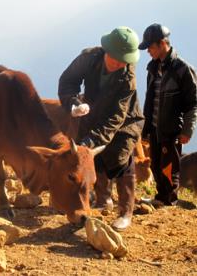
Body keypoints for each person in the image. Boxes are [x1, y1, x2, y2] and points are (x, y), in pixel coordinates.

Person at [58, 26, 144, 231]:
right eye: (116, 58)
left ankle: (125, 211)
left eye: (124, 60)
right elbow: (68, 81)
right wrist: (72, 103)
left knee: (121, 156)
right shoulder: (89, 59)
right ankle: (102, 199)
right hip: (92, 110)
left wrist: (91, 141)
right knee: (90, 159)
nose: (119, 63)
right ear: (107, 51)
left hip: (125, 119)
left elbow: (116, 117)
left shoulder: (127, 78)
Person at [139, 23, 197, 206]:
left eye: (150, 46)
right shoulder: (152, 69)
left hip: (172, 129)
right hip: (155, 127)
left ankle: (169, 200)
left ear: (162, 43)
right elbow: (150, 100)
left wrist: (187, 129)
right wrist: (145, 128)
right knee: (156, 164)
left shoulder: (182, 69)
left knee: (169, 167)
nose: (148, 50)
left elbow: (193, 103)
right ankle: (160, 197)